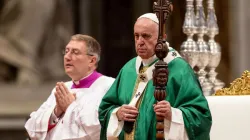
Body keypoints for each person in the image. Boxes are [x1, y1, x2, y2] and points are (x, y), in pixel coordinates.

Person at [98, 13, 212, 140]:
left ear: (162, 38)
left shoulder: (179, 70)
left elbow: (201, 118)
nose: (140, 42)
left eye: (146, 36)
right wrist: (117, 113)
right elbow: (105, 109)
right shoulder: (128, 69)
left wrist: (173, 114)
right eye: (136, 36)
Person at [25, 34, 115, 140]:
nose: (67, 57)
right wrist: (56, 111)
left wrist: (70, 106)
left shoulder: (109, 87)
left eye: (75, 52)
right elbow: (31, 127)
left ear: (92, 61)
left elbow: (100, 128)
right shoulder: (62, 89)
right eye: (66, 51)